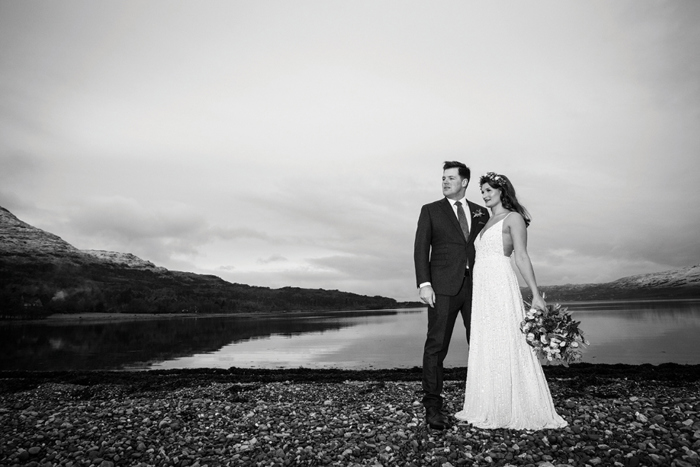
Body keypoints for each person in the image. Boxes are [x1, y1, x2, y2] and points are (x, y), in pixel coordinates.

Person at [454, 172, 567, 430]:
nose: (484, 195)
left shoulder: (513, 218)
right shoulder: (485, 221)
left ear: (502, 191)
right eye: (482, 191)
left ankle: (516, 405)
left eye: (489, 190)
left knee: (507, 338)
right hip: (481, 289)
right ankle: (489, 403)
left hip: (499, 284)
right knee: (487, 340)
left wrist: (536, 294)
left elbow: (522, 257)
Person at [414, 161, 490, 430]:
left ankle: (483, 401)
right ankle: (432, 407)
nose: (445, 182)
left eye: (450, 178)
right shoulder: (431, 210)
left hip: (477, 289)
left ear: (465, 182)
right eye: (443, 178)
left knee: (480, 345)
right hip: (443, 288)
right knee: (436, 347)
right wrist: (424, 284)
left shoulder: (482, 212)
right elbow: (421, 248)